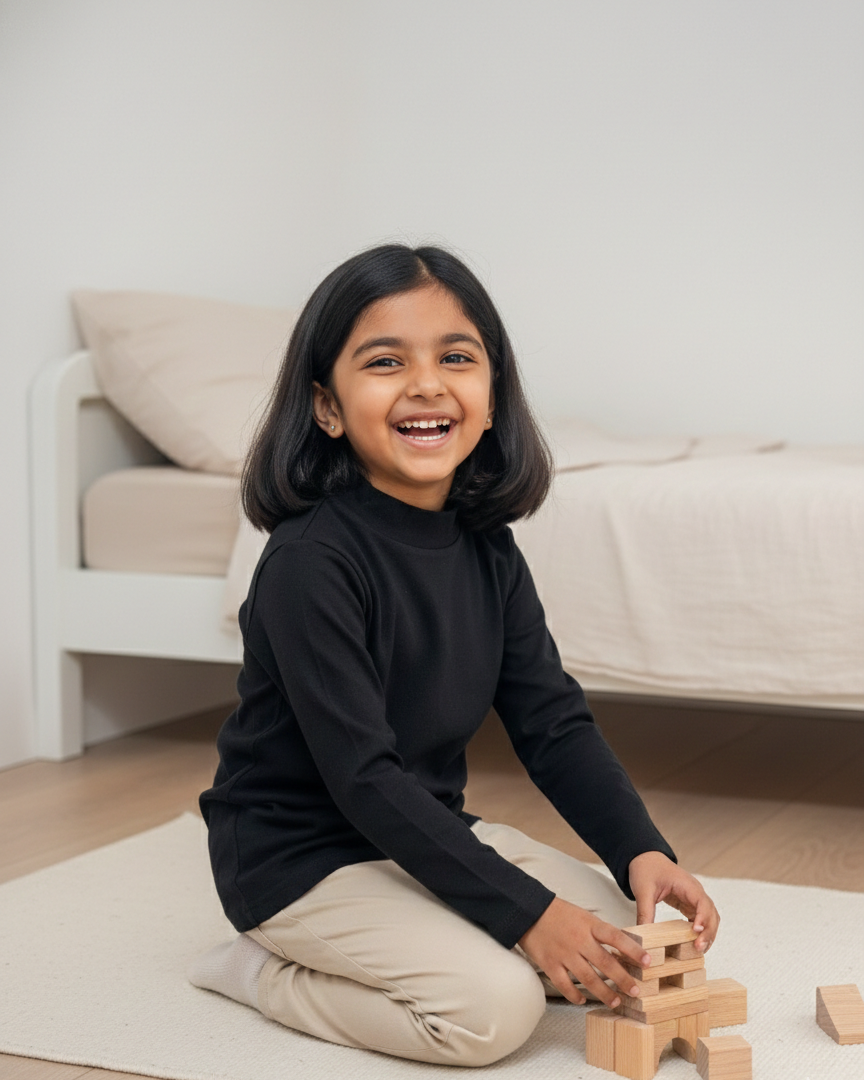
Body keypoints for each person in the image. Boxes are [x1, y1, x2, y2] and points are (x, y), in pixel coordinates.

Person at [188, 243, 719, 1066]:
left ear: (491, 395)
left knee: (620, 940)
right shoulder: (308, 564)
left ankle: (472, 923)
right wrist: (529, 920)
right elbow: (362, 778)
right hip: (297, 858)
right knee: (492, 1012)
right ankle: (258, 970)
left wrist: (640, 848)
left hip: (415, 831)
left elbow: (551, 721)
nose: (427, 384)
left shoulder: (487, 546)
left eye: (457, 358)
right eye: (386, 361)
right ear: (327, 407)